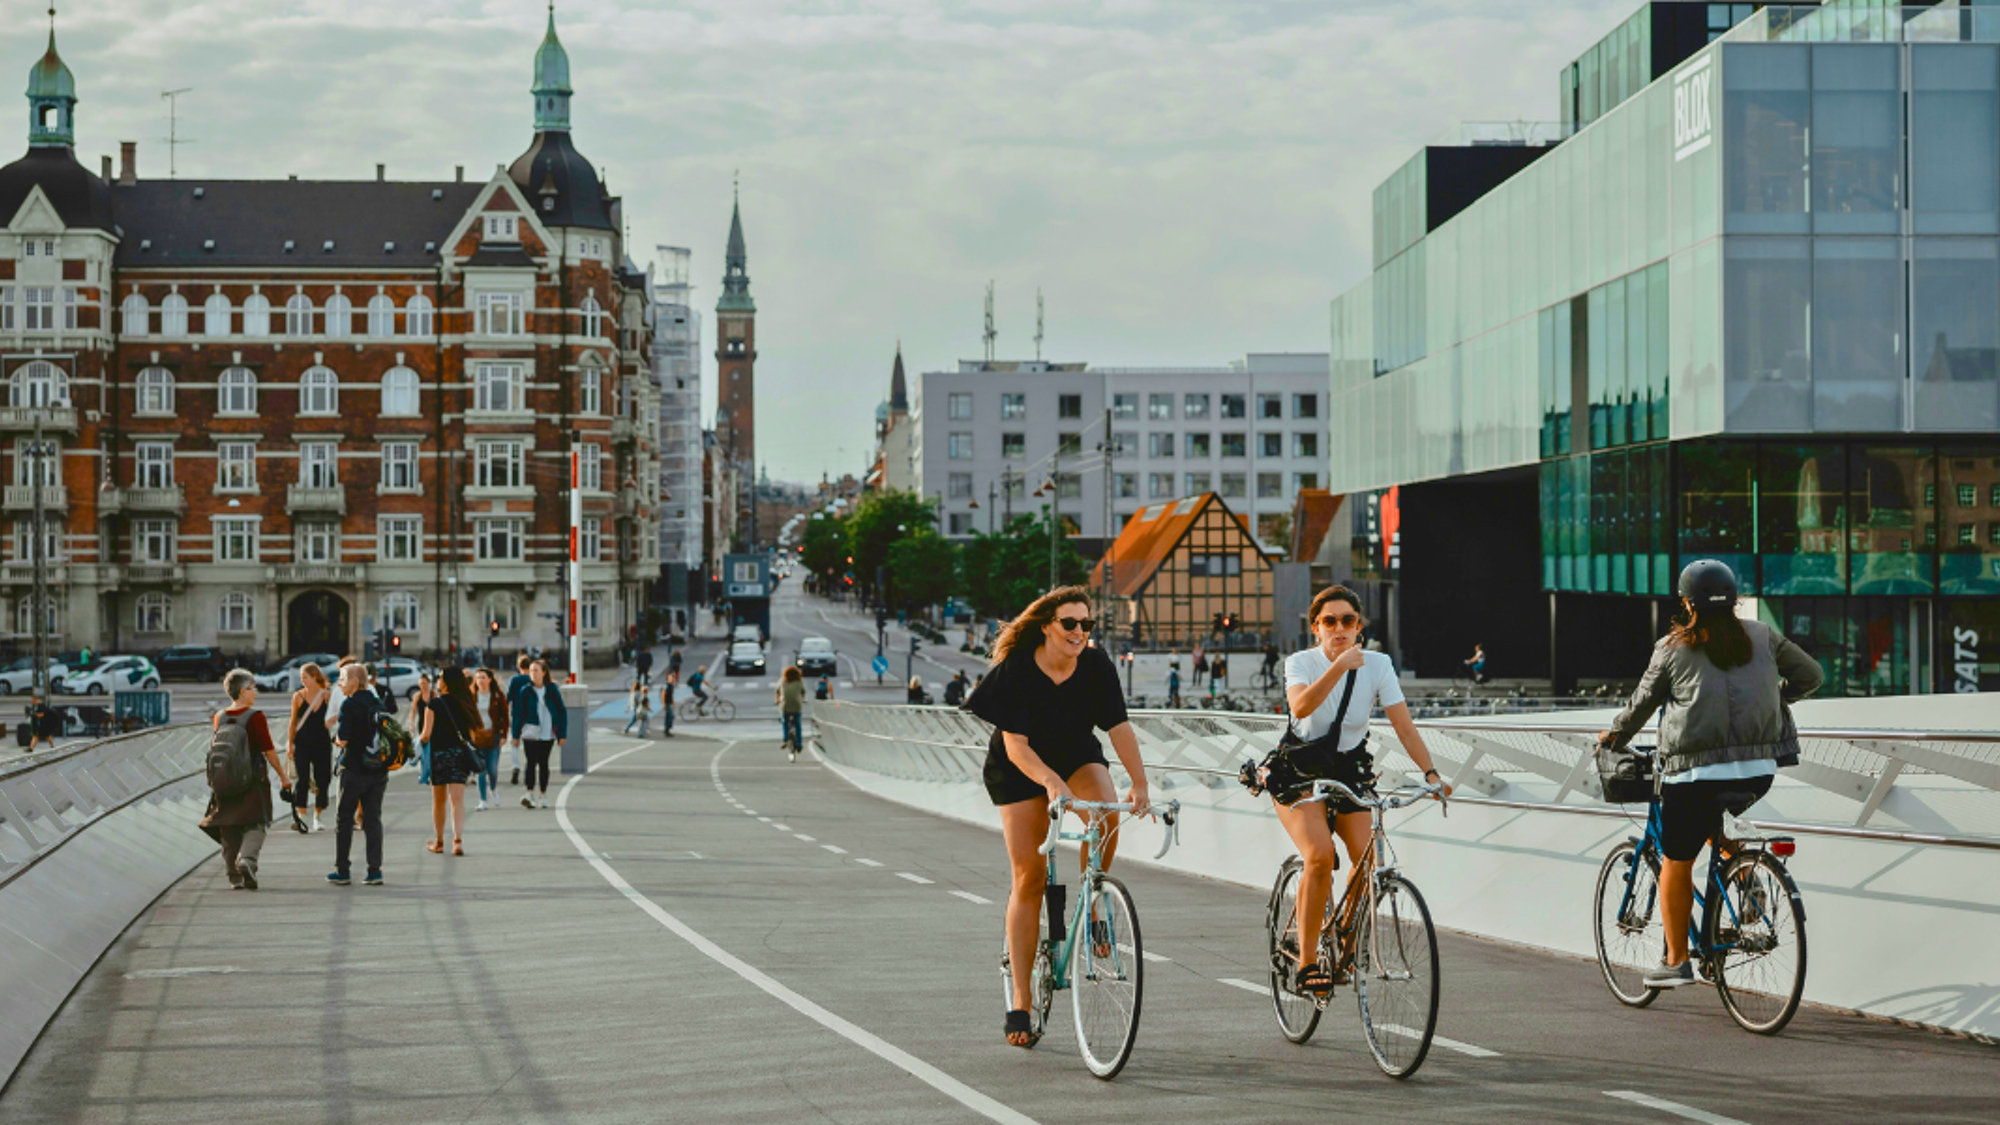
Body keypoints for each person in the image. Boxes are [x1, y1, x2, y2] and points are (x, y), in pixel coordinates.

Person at [1598, 560, 1822, 990]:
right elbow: (1812, 675)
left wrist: (1614, 737)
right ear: (1734, 600)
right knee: (1711, 821)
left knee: (1675, 860)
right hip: (1758, 772)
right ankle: (1745, 875)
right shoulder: (1763, 635)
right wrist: (1778, 699)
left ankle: (1676, 961)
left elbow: (1642, 704)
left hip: (1693, 775)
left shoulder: (1672, 647)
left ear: (1687, 603)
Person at [962, 585, 1151, 1049]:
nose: (1079, 631)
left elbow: (1118, 727)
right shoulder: (1017, 670)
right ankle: (1021, 1000)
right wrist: (1049, 782)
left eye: (1087, 624)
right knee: (1028, 877)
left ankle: (1095, 901)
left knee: (1104, 816)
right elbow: (1016, 746)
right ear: (1047, 625)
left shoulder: (1096, 665)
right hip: (1020, 770)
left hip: (1076, 757)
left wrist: (1140, 783)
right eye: (1070, 623)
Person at [1275, 585, 1450, 995]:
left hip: (1350, 771)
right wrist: (1339, 666)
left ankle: (1344, 937)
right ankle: (1307, 962)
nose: (1339, 628)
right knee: (1319, 856)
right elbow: (1300, 707)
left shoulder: (1378, 665)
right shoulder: (1300, 662)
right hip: (1300, 772)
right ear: (1316, 627)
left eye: (1348, 620)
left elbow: (1403, 725)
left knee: (1368, 863)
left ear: (1359, 627)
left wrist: (1430, 774)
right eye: (1329, 621)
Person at [200, 669, 288, 890]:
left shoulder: (219, 717)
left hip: (223, 781)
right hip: (252, 780)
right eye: (252, 688)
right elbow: (268, 750)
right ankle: (247, 860)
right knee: (256, 823)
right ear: (242, 692)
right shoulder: (255, 717)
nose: (255, 693)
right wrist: (283, 776)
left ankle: (234, 877)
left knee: (228, 826)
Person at [329, 663, 386, 887]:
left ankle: (342, 871)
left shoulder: (349, 704)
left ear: (355, 681)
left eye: (343, 678)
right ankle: (375, 871)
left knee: (344, 819)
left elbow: (343, 739)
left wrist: (335, 740)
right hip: (378, 771)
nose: (339, 684)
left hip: (353, 770)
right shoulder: (378, 703)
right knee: (373, 820)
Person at [426, 668, 479, 856]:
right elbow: (473, 735)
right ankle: (457, 841)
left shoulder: (434, 704)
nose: (438, 680)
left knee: (438, 800)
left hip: (438, 756)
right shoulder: (466, 702)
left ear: (446, 682)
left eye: (440, 677)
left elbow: (426, 735)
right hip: (459, 756)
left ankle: (439, 842)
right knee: (457, 800)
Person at [510, 659, 567, 810]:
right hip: (530, 731)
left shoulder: (552, 689)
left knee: (544, 763)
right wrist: (515, 735)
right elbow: (518, 713)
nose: (533, 674)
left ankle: (543, 794)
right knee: (530, 762)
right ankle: (529, 793)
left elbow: (561, 711)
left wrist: (562, 734)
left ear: (544, 672)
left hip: (548, 732)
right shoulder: (525, 690)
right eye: (531, 671)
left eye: (536, 670)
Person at [285, 663, 334, 834]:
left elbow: (335, 717)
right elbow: (292, 722)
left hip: (322, 743)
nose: (302, 681)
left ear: (314, 677)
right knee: (303, 779)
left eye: (305, 677)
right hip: (302, 743)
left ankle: (317, 816)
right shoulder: (298, 696)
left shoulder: (327, 696)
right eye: (301, 678)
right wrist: (290, 744)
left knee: (323, 779)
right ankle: (302, 816)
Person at [470, 667, 508, 810]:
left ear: (490, 679)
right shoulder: (472, 696)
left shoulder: (497, 696)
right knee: (481, 769)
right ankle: (483, 800)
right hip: (478, 737)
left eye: (483, 677)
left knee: (492, 769)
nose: (480, 680)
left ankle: (493, 789)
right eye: (478, 678)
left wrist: (504, 735)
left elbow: (505, 717)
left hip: (494, 736)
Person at [505, 654, 533, 786]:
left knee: (515, 742)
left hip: (517, 713)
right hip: (530, 715)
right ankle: (528, 768)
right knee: (530, 743)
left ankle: (515, 767)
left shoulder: (514, 680)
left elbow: (509, 697)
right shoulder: (532, 679)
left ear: (518, 666)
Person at [410, 673, 435, 786]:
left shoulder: (434, 694)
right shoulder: (417, 696)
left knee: (432, 750)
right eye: (421, 684)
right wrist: (411, 724)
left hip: (434, 725)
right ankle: (425, 773)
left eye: (424, 683)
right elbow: (413, 711)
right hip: (422, 725)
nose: (423, 686)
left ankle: (431, 772)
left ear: (429, 683)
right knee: (424, 751)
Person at [776, 666, 806, 759]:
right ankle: (799, 744)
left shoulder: (782, 681)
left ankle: (785, 739)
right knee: (797, 724)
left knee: (784, 721)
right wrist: (802, 699)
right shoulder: (799, 681)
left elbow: (777, 691)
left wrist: (777, 700)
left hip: (785, 706)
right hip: (796, 706)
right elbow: (803, 691)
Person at [658, 674, 677, 738]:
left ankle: (666, 729)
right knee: (671, 716)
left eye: (672, 678)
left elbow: (671, 694)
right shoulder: (665, 686)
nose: (672, 679)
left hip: (669, 702)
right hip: (666, 703)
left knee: (667, 716)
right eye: (670, 678)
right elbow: (662, 695)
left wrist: (673, 702)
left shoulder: (672, 685)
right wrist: (663, 704)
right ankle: (668, 728)